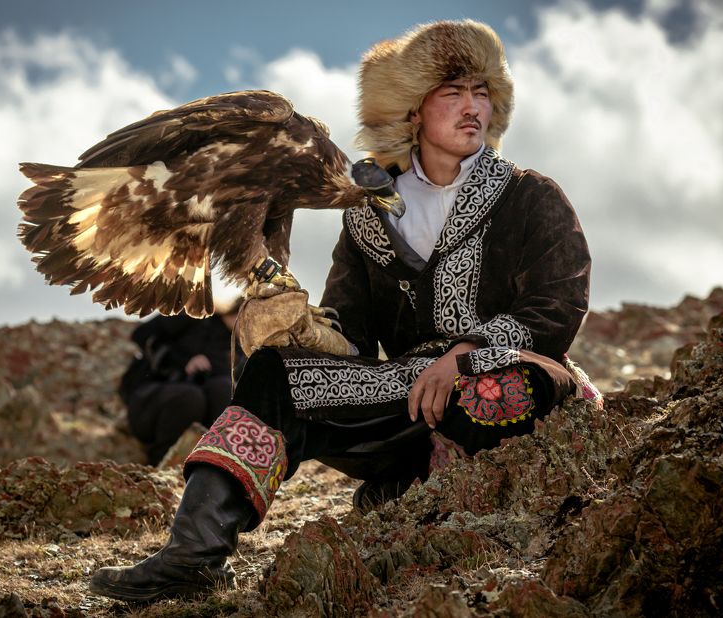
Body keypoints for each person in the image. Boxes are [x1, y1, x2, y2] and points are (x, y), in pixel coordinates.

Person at [90, 19, 594, 602]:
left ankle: (413, 489)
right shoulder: (367, 215)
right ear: (413, 112)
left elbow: (559, 304)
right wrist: (297, 328)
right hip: (406, 396)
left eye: (482, 93)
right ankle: (194, 553)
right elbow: (349, 334)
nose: (472, 107)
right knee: (276, 375)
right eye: (452, 93)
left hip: (516, 380)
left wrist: (465, 355)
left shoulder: (530, 196)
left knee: (500, 389)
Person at [120, 298, 244, 465]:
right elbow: (142, 334)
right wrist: (184, 361)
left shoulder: (240, 349)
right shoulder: (197, 313)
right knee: (190, 396)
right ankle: (161, 465)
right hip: (149, 401)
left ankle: (215, 464)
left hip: (197, 411)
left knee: (224, 390)